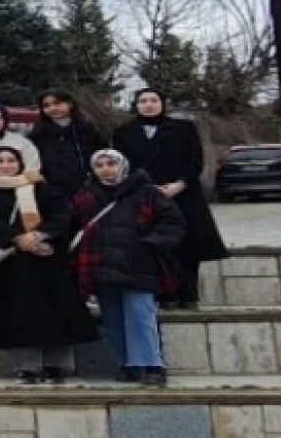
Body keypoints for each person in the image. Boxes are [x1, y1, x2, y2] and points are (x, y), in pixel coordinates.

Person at [0, 146, 97, 384]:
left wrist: (39, 235)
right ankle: (27, 367)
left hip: (46, 260)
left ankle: (58, 365)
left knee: (55, 313)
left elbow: (62, 215)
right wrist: (16, 237)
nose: (6, 165)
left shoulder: (41, 189)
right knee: (18, 316)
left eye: (11, 160)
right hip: (8, 264)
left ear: (21, 163)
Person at [70, 149, 187, 387]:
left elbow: (173, 222)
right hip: (101, 264)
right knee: (112, 319)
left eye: (111, 163)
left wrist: (149, 244)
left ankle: (152, 364)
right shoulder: (84, 197)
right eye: (100, 165)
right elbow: (72, 226)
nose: (106, 169)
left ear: (122, 165)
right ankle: (128, 364)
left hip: (138, 263)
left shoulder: (147, 192)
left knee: (142, 315)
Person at [113, 88, 227, 309]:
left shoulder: (184, 128)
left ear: (162, 103)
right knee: (153, 245)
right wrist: (144, 187)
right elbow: (122, 165)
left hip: (183, 194)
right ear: (136, 105)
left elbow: (195, 160)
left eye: (153, 100)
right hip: (144, 196)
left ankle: (189, 295)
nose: (148, 105)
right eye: (143, 101)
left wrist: (179, 184)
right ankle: (162, 296)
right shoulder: (123, 132)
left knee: (187, 245)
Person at [29, 90, 108, 201]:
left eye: (57, 103)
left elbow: (102, 156)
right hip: (51, 194)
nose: (52, 108)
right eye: (46, 105)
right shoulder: (38, 134)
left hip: (85, 191)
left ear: (70, 103)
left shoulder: (87, 130)